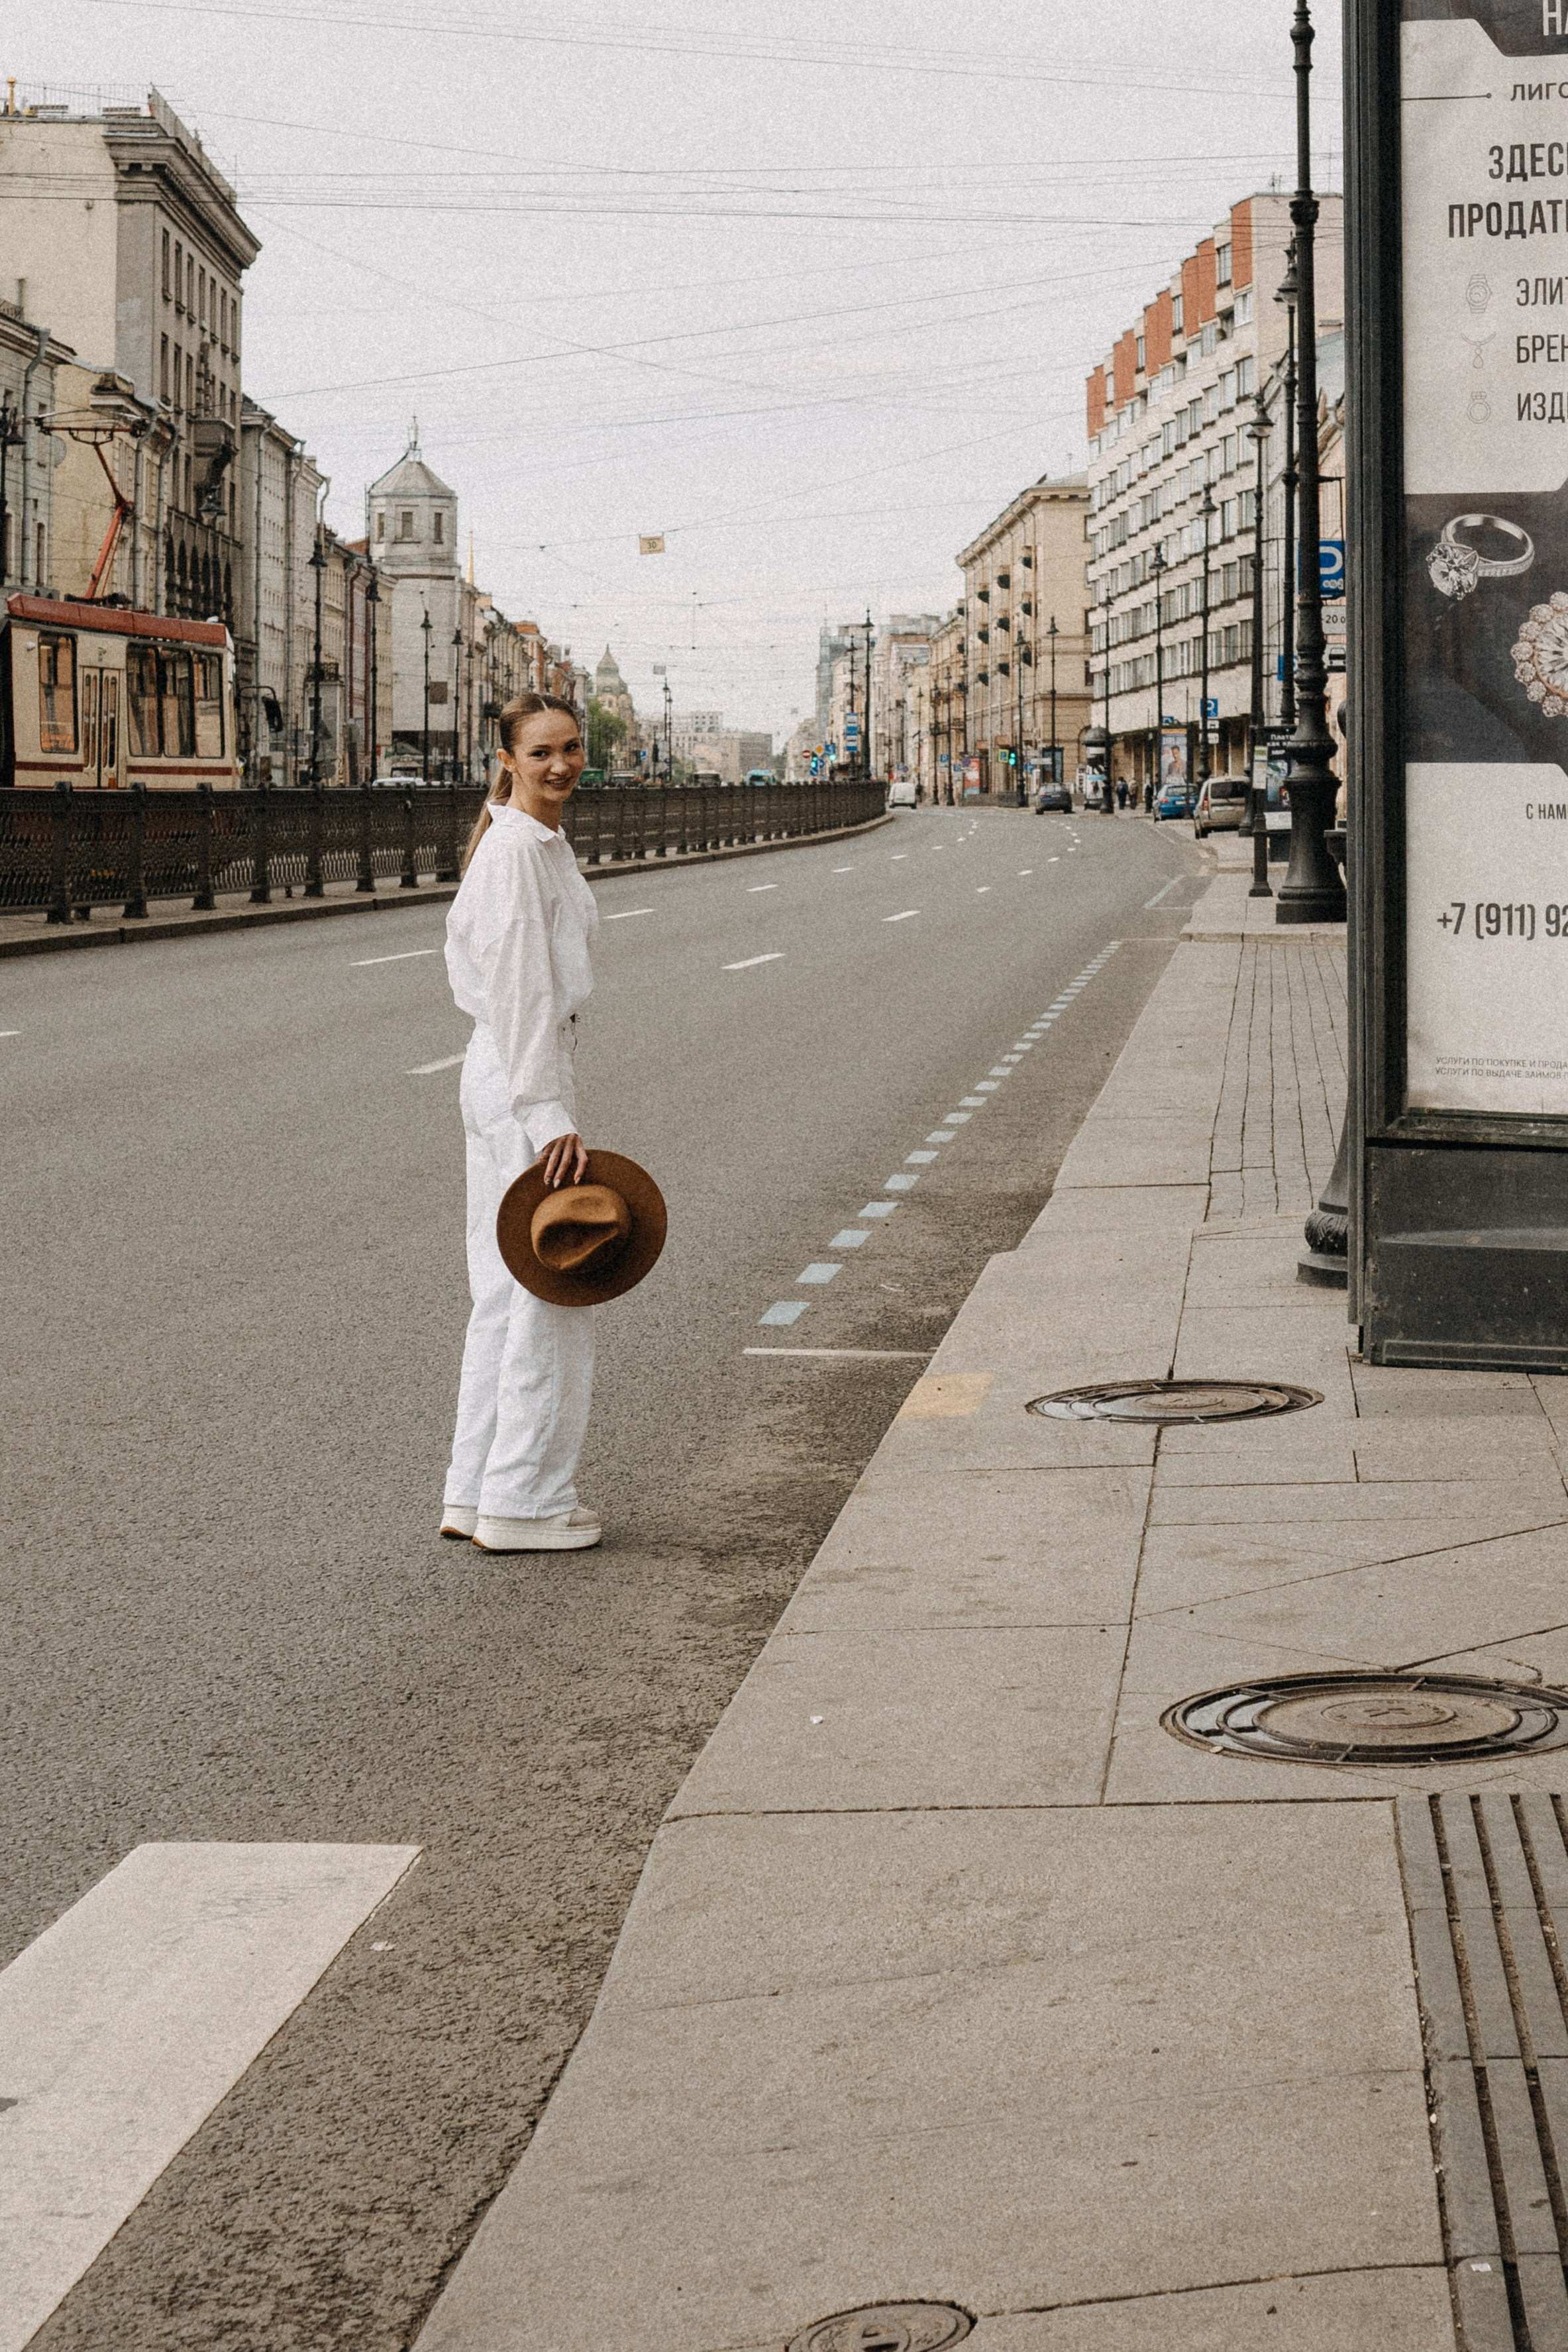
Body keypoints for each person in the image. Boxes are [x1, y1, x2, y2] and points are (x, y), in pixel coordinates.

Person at [439, 692, 603, 1556]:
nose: (560, 765)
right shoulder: (515, 854)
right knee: (553, 1288)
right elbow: (521, 991)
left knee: (505, 1293)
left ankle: (475, 1491)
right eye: (541, 752)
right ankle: (527, 1501)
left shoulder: (531, 844)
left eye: (570, 748)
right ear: (507, 760)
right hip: (520, 1077)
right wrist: (547, 1112)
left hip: (505, 1074)